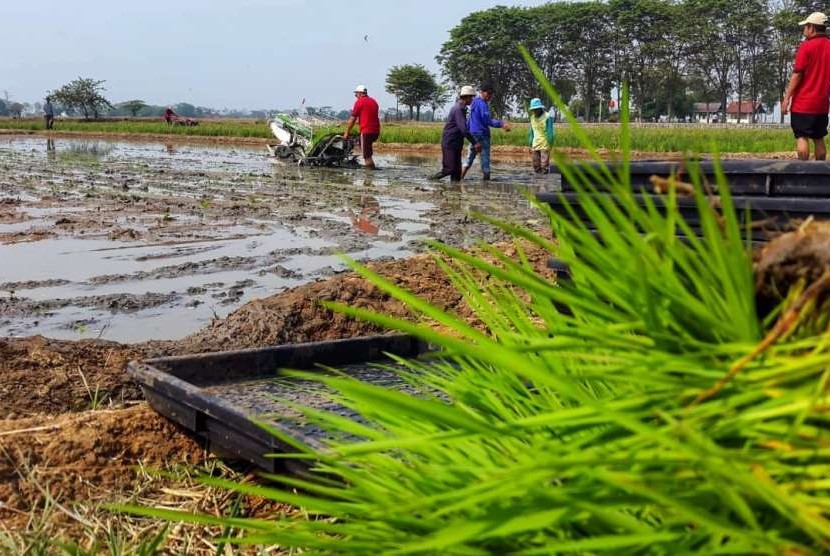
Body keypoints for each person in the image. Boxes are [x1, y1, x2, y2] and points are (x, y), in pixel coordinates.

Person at [781, 12, 830, 160]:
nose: (804, 31)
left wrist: (786, 98)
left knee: (802, 137)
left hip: (804, 103)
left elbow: (797, 74)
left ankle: (804, 172)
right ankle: (821, 174)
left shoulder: (806, 46)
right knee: (819, 138)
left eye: (805, 27)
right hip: (822, 105)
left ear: (811, 28)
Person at [461, 82, 511, 181]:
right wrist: (501, 124)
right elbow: (487, 120)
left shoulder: (473, 102)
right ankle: (486, 182)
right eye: (488, 93)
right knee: (485, 160)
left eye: (491, 94)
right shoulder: (482, 104)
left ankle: (459, 179)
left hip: (473, 135)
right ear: (482, 92)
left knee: (469, 159)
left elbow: (469, 119)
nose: (490, 96)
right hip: (482, 135)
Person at [430, 86, 481, 182]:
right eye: (471, 97)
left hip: (456, 143)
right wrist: (475, 142)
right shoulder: (458, 109)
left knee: (457, 172)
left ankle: (455, 191)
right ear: (466, 97)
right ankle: (431, 180)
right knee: (449, 169)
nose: (472, 99)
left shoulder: (462, 108)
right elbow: (464, 129)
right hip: (450, 142)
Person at [343, 85, 380, 170]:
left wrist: (346, 132)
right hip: (376, 131)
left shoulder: (359, 102)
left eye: (356, 95)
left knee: (366, 156)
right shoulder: (374, 101)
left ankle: (369, 175)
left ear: (360, 94)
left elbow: (352, 119)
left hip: (366, 131)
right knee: (367, 151)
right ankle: (370, 169)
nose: (356, 97)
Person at [527, 98, 555, 174]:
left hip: (544, 145)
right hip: (535, 145)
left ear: (540, 108)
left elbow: (550, 132)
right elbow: (531, 132)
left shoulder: (547, 117)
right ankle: (537, 184)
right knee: (536, 166)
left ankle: (544, 184)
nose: (535, 111)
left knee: (544, 166)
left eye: (536, 109)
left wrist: (550, 145)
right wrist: (530, 144)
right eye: (533, 109)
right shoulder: (532, 118)